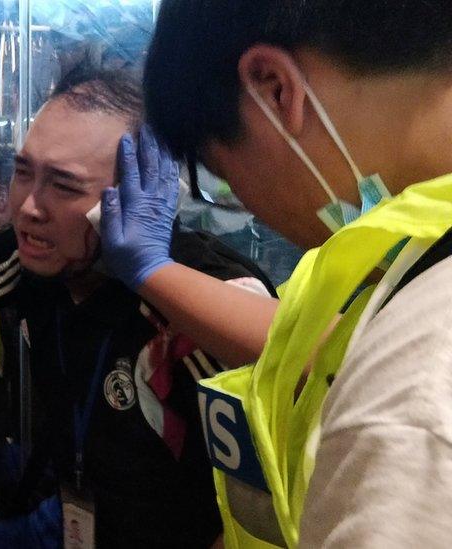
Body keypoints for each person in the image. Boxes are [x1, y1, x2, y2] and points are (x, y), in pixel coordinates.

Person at [102, 1, 452, 546]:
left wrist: (150, 269)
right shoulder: (403, 256)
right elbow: (317, 337)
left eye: (220, 176)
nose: (244, 203)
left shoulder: (413, 404)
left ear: (273, 89)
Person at [0, 65, 272, 547]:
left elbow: (305, 353)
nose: (28, 206)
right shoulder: (49, 261)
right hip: (78, 508)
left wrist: (150, 272)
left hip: (162, 534)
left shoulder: (196, 291)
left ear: (137, 196)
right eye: (25, 172)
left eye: (65, 185)